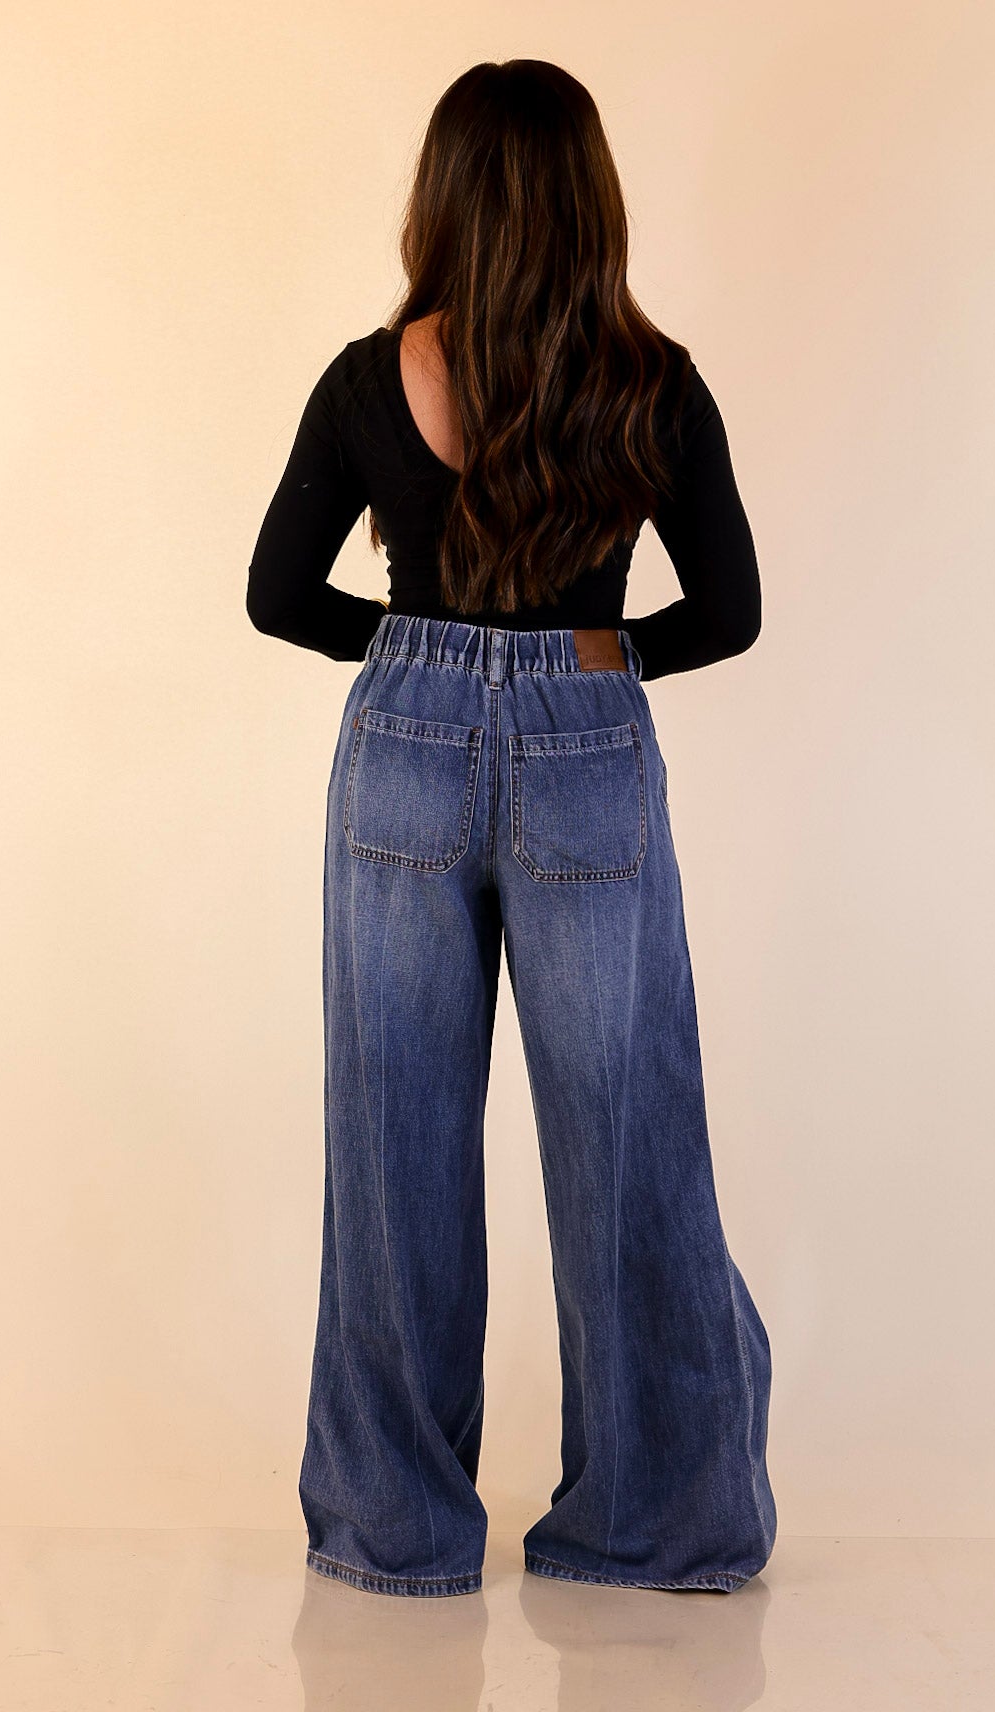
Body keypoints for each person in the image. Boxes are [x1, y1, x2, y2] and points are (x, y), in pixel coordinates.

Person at [246, 58, 777, 1599]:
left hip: (402, 754)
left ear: (444, 198)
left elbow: (277, 596)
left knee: (391, 1143)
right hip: (585, 747)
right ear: (587, 198)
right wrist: (594, 656)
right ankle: (654, 1519)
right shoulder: (653, 381)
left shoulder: (367, 379)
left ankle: (395, 1529)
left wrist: (419, 652)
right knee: (629, 1138)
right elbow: (728, 611)